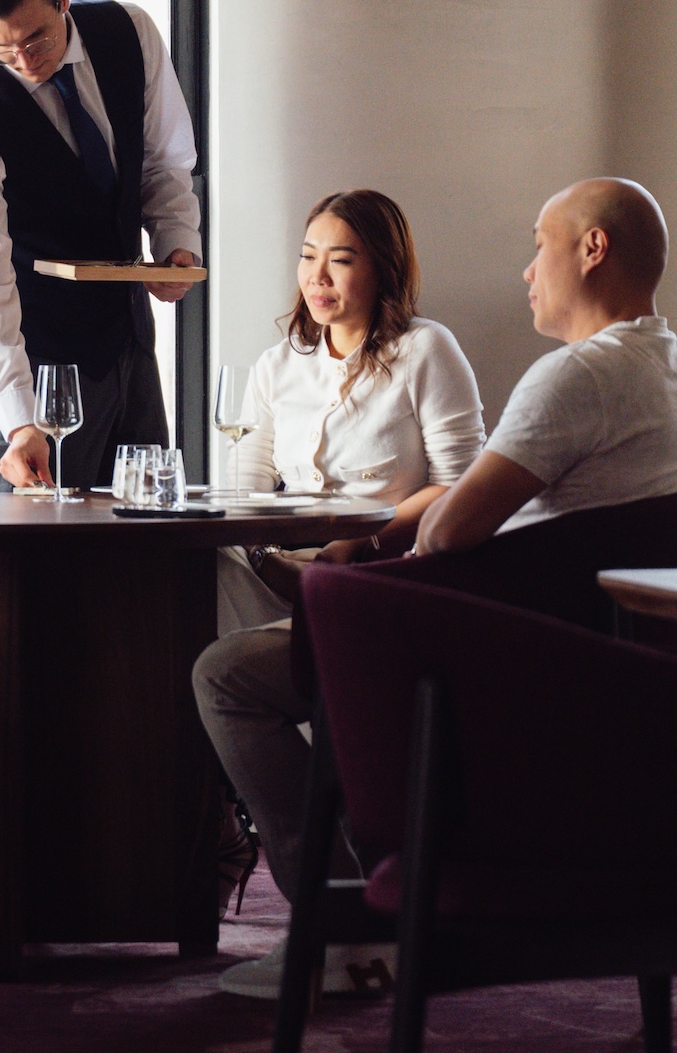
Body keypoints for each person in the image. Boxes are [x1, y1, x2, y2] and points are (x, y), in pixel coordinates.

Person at [192, 190, 484, 995]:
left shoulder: (427, 351)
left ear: (381, 268)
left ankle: (331, 910)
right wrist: (270, 553)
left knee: (231, 676)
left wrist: (358, 547)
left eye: (341, 259)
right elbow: (244, 489)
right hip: (289, 573)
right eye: (309, 256)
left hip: (385, 580)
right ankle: (274, 865)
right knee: (197, 583)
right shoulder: (277, 363)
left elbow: (462, 488)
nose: (318, 276)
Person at [0, 0, 202, 491]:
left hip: (130, 342)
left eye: (35, 39)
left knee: (146, 538)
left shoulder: (130, 33)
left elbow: (163, 161)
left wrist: (177, 243)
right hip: (39, 368)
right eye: (0, 48)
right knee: (41, 559)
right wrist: (18, 418)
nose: (24, 61)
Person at [413, 176, 677, 556]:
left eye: (540, 246)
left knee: (319, 586)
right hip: (597, 611)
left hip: (516, 610)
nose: (529, 271)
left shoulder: (580, 373)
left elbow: (441, 535)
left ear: (592, 249)